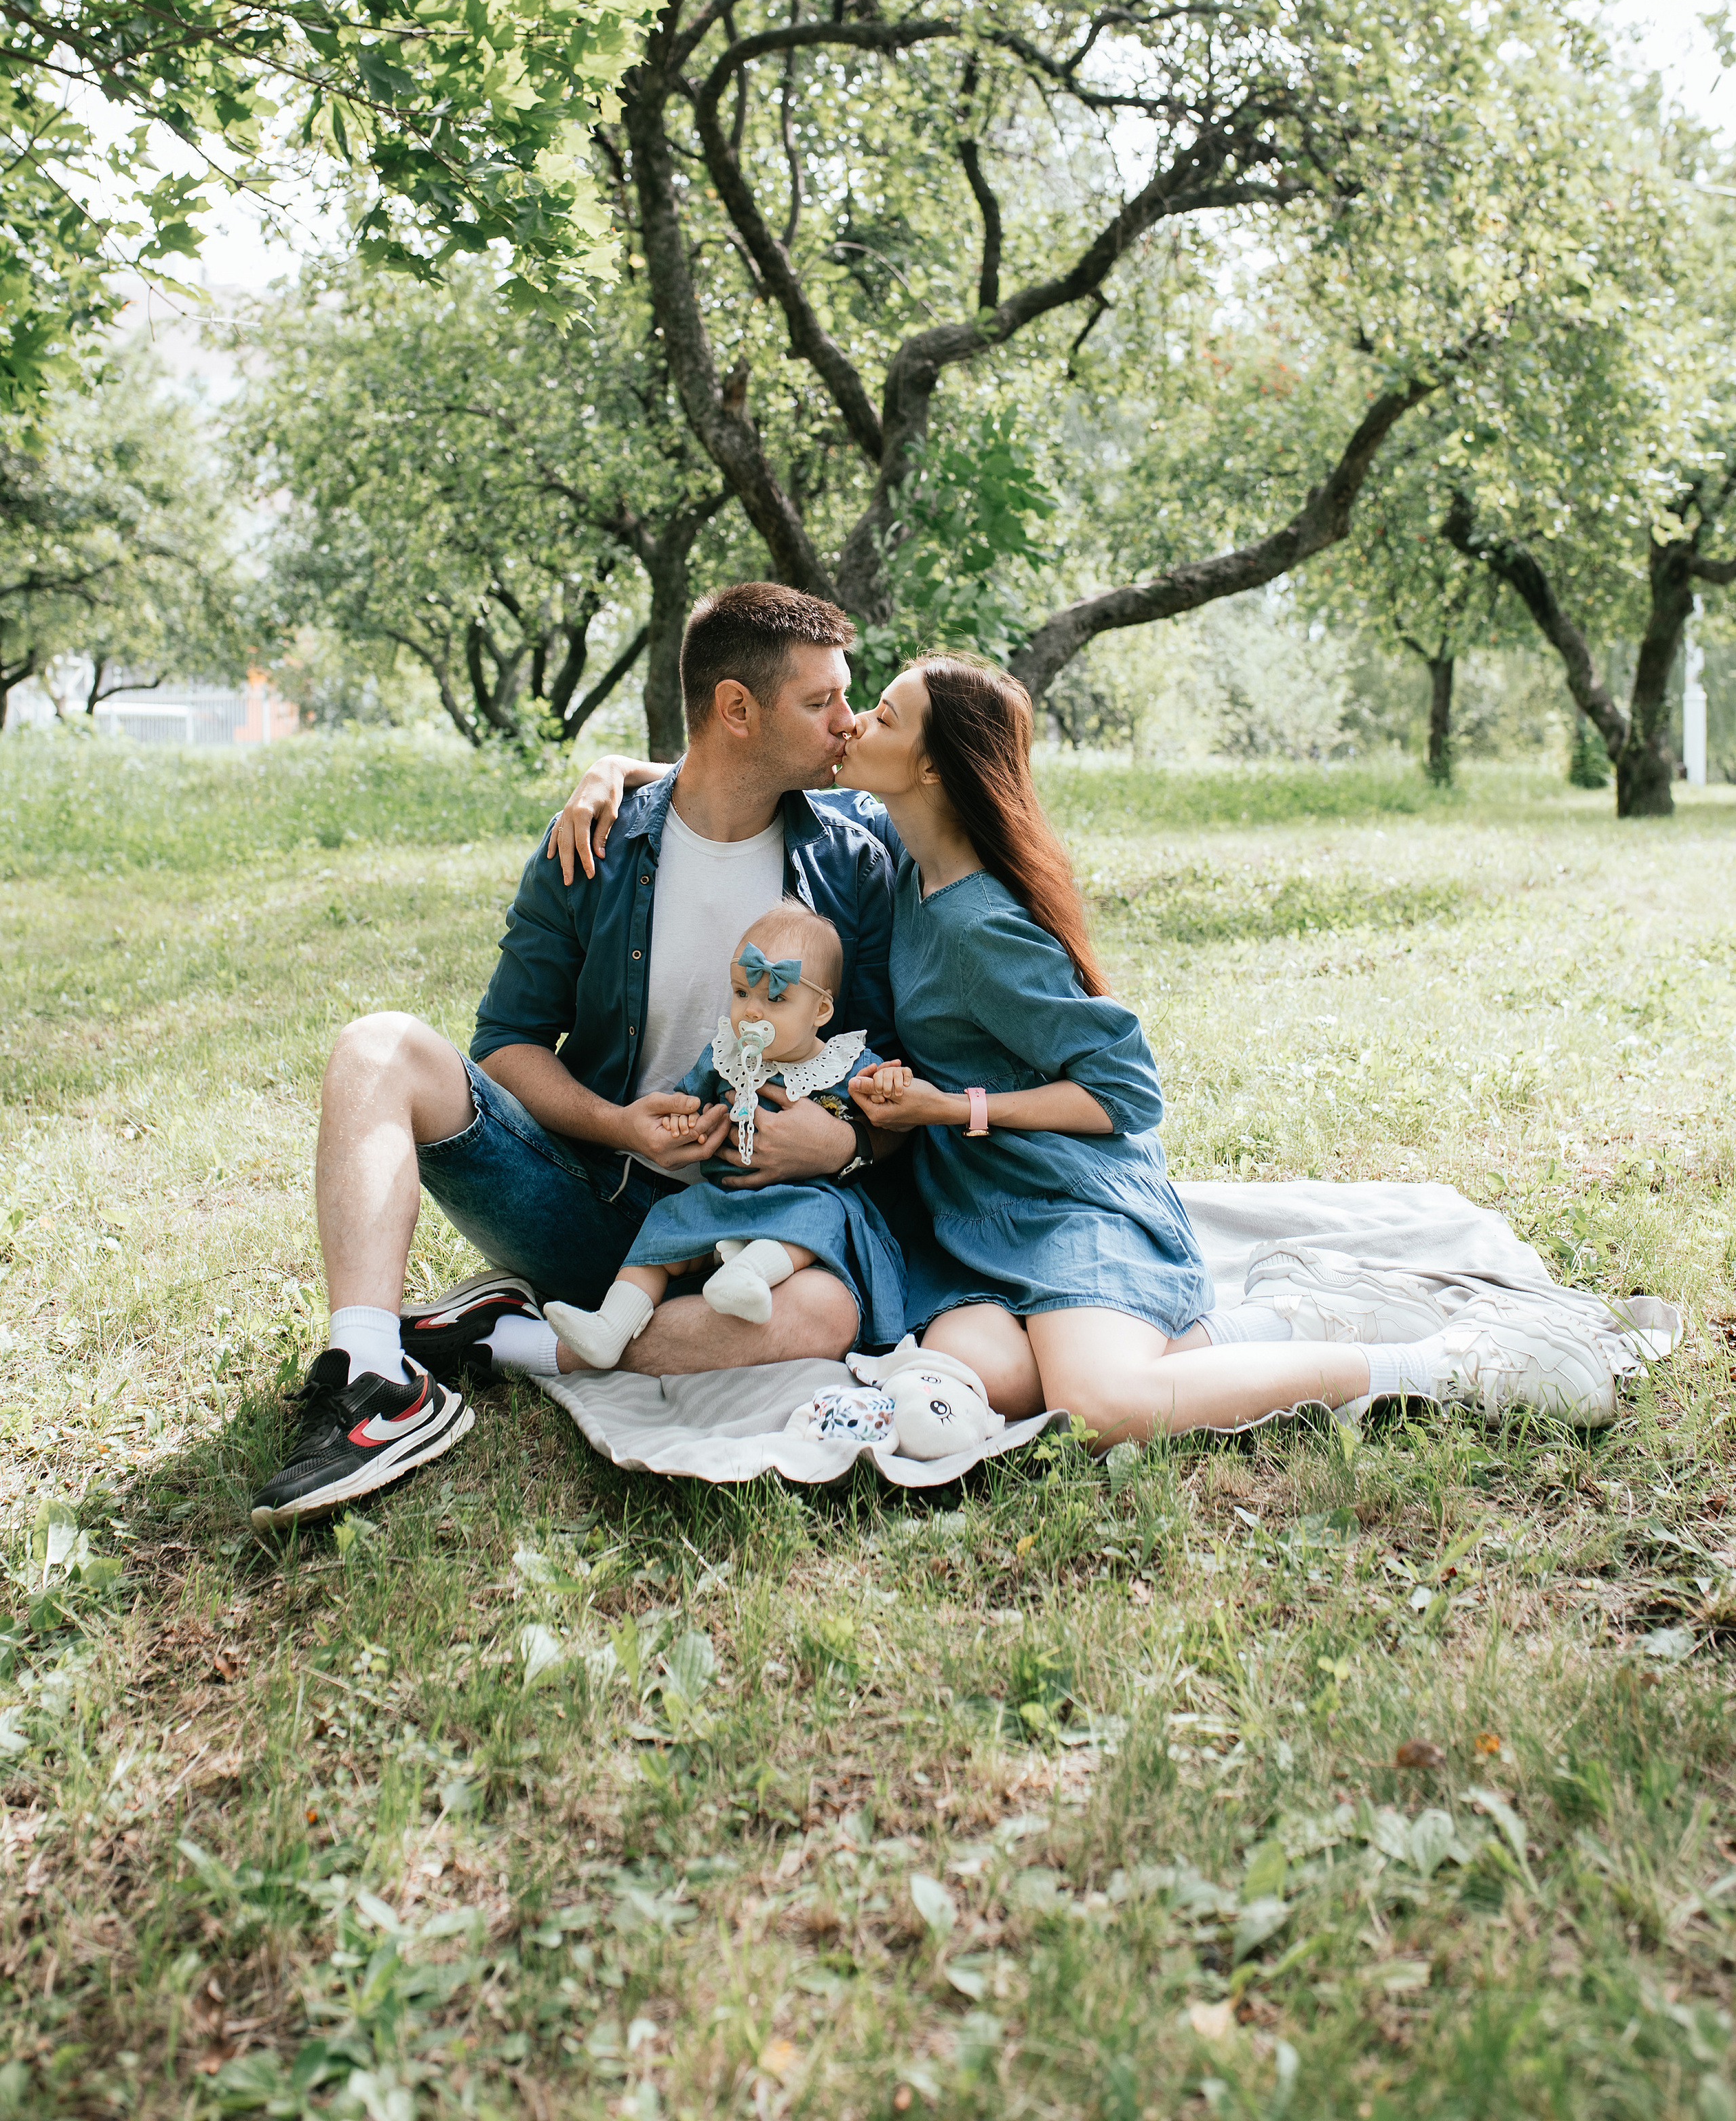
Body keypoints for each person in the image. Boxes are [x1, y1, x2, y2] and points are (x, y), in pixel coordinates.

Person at [561, 656, 1617, 1446]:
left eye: (878, 714)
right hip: (975, 1212)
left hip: (1064, 1198)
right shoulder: (897, 848)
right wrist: (620, 771)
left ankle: (1441, 1364)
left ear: (927, 763)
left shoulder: (983, 925)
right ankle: (1244, 1329)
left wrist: (946, 1110)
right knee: (975, 1367)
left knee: (1099, 1402)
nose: (851, 724)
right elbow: (744, 782)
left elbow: (1127, 1093)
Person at [249, 584, 896, 1532]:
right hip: (586, 1202)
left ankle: (498, 1339)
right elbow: (505, 1047)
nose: (849, 723)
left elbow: (886, 1067)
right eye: (822, 702)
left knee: (822, 1321)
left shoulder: (855, 859)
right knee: (377, 1046)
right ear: (736, 709)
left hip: (747, 1236)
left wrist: (836, 1152)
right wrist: (616, 1124)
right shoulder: (591, 843)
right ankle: (371, 1374)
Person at [545, 903, 905, 1365]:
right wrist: (684, 1123)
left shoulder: (843, 1063)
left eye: (775, 999)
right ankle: (610, 1328)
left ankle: (750, 1275)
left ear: (820, 1009)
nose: (752, 1012)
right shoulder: (725, 1055)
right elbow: (687, 1101)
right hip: (723, 1197)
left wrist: (891, 1085)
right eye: (741, 992)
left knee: (823, 1214)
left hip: (801, 1195)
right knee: (666, 1224)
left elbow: (889, 1115)